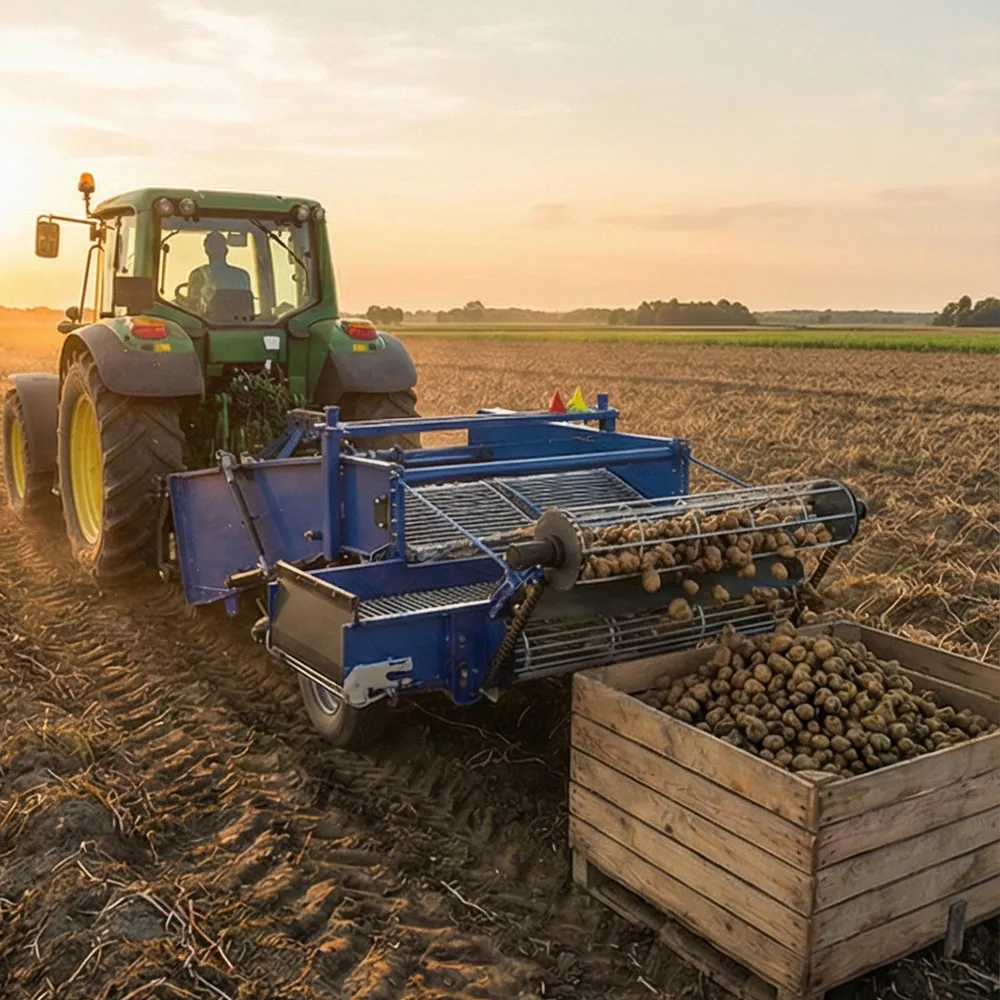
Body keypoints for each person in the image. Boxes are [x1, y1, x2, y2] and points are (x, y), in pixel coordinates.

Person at [187, 231, 252, 314]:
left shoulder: (198, 275)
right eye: (213, 246)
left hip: (205, 324)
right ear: (226, 250)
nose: (215, 249)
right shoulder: (242, 276)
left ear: (206, 251)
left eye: (216, 246)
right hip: (241, 324)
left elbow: (192, 308)